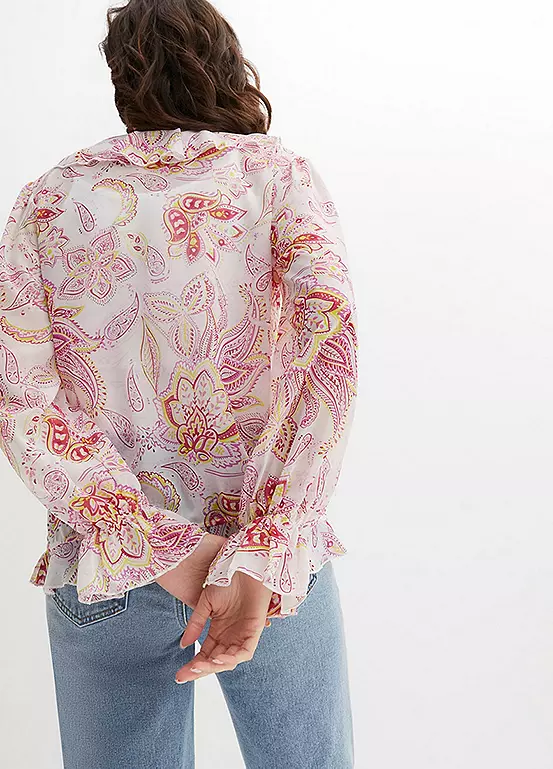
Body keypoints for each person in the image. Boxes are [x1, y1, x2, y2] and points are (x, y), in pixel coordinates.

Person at [0, 1, 359, 767]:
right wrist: (260, 552)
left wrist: (153, 544)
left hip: (109, 563)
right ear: (227, 63)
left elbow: (22, 400)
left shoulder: (48, 200)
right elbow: (328, 356)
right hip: (264, 560)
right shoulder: (275, 177)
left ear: (121, 81)